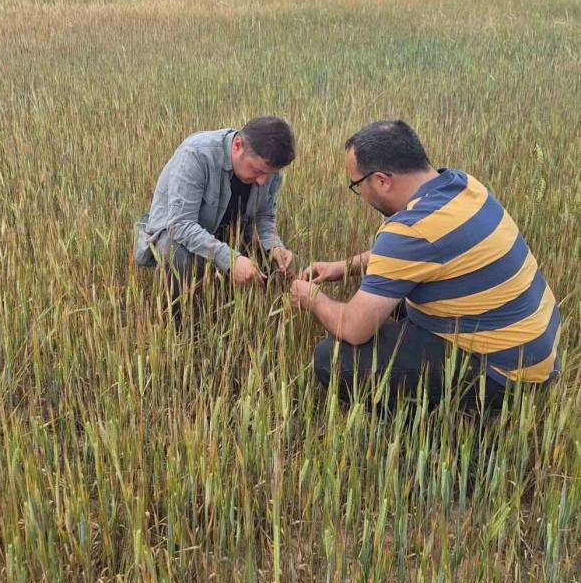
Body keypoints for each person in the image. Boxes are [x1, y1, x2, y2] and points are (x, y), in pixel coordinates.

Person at [290, 120, 560, 408]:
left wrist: (312, 298)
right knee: (396, 300)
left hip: (502, 376)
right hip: (536, 352)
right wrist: (346, 266)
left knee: (332, 360)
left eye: (357, 185)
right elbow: (422, 253)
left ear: (382, 180)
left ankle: (425, 429)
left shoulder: (408, 231)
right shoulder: (463, 185)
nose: (361, 195)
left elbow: (356, 327)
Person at [136, 116, 296, 306]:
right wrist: (230, 259)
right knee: (177, 253)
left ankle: (245, 312)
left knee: (286, 264)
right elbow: (180, 226)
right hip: (183, 239)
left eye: (269, 175)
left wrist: (275, 246)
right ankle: (182, 323)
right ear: (238, 145)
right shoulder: (196, 154)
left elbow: (264, 217)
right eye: (257, 171)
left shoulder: (268, 167)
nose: (262, 181)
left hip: (231, 238)